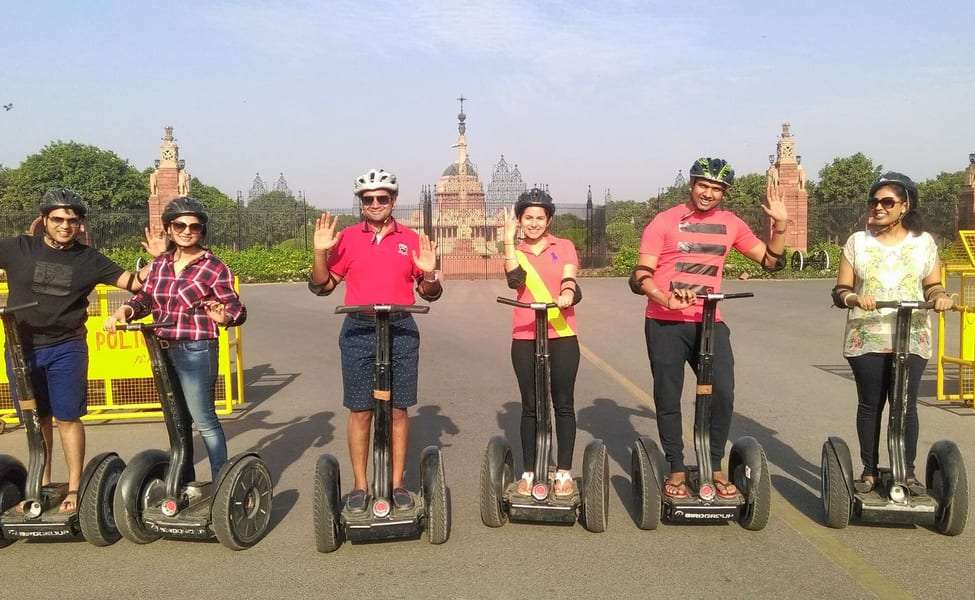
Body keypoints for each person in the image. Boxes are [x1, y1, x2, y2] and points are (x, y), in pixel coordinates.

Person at [629, 157, 788, 499]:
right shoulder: (664, 221)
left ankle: (713, 464)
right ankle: (675, 467)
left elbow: (770, 262)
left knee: (723, 393)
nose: (708, 193)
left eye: (716, 189)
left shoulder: (731, 223)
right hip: (666, 322)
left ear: (724, 193)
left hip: (709, 321)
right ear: (692, 185)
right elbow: (639, 275)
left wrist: (780, 227)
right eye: (703, 185)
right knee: (668, 396)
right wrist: (664, 296)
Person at [0, 188, 163, 513]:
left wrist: (159, 259)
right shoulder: (18, 248)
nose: (65, 226)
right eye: (58, 219)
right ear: (44, 219)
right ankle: (41, 485)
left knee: (67, 417)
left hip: (66, 347)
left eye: (72, 221)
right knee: (36, 420)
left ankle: (74, 488)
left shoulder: (89, 259)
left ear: (80, 224)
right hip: (21, 349)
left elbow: (134, 283)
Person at [308, 168, 441, 512]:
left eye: (383, 198)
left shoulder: (411, 239)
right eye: (368, 199)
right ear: (361, 203)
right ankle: (359, 485)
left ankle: (397, 484)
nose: (376, 204)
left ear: (393, 200)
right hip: (359, 328)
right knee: (361, 411)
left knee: (398, 410)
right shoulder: (348, 238)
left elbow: (430, 293)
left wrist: (428, 272)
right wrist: (320, 253)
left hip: (400, 327)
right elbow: (323, 286)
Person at [104, 197, 245, 478]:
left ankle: (221, 481)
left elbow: (236, 309)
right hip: (162, 348)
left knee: (203, 418)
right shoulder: (160, 264)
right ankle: (184, 478)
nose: (187, 231)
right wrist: (126, 310)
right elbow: (146, 298)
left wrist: (225, 317)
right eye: (180, 225)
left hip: (196, 348)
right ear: (169, 228)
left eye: (194, 226)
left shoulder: (214, 267)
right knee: (177, 420)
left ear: (202, 231)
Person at [831, 172, 951, 492]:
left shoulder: (923, 243)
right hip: (867, 334)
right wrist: (854, 298)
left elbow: (933, 284)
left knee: (905, 405)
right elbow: (841, 290)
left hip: (911, 335)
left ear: (905, 206)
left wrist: (940, 297)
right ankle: (869, 471)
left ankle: (906, 472)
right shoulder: (858, 242)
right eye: (874, 201)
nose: (879, 207)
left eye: (887, 202)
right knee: (871, 404)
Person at [501, 188, 582, 496]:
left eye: (539, 217)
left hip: (562, 333)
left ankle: (563, 471)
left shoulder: (564, 246)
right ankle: (530, 470)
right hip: (525, 334)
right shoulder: (516, 251)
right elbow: (515, 280)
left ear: (548, 220)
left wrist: (567, 293)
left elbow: (570, 277)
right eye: (528, 218)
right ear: (520, 220)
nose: (534, 223)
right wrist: (508, 241)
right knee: (531, 406)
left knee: (563, 403)